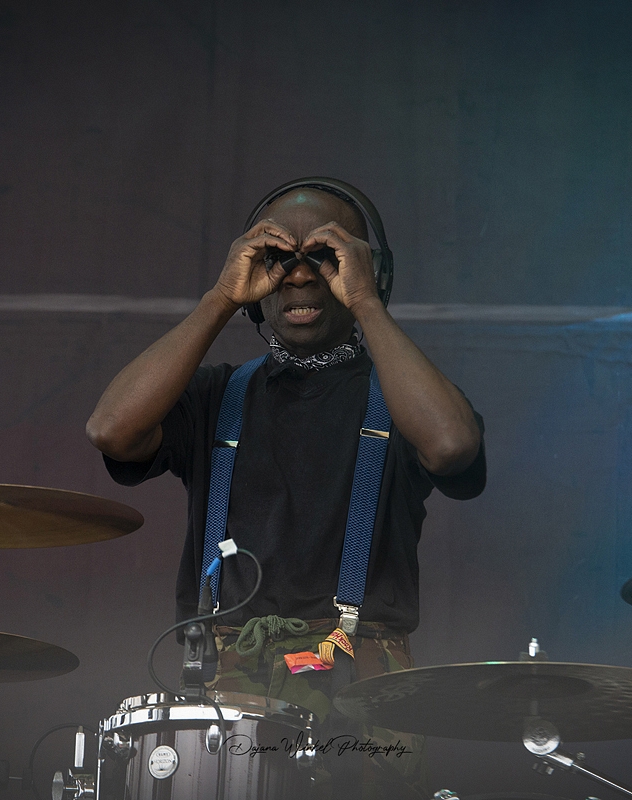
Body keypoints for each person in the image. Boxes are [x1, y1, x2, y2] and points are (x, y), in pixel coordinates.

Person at [87, 178, 486, 799]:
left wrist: (367, 303)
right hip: (223, 697)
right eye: (278, 258)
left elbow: (452, 445)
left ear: (369, 270)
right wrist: (221, 298)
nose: (299, 276)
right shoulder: (216, 395)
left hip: (363, 694)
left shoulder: (405, 397)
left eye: (325, 256)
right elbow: (111, 430)